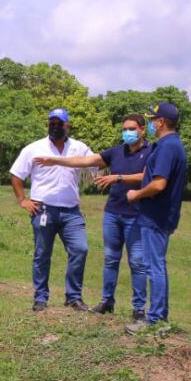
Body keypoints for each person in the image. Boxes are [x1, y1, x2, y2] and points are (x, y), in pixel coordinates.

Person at [35, 114, 152, 320]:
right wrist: (55, 160)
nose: (128, 133)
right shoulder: (116, 152)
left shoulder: (153, 151)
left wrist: (118, 177)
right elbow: (86, 160)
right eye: (125, 129)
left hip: (138, 215)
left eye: (132, 129)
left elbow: (149, 176)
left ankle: (139, 308)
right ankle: (107, 301)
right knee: (110, 260)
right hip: (113, 213)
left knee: (137, 262)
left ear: (142, 129)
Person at [9, 108, 96, 312]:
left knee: (80, 249)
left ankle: (73, 297)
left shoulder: (79, 147)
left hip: (71, 212)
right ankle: (40, 298)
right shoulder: (34, 148)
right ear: (48, 125)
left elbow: (95, 164)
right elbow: (16, 175)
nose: (55, 127)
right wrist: (23, 200)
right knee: (42, 254)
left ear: (68, 125)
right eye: (52, 123)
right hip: (43, 210)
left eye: (60, 123)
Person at [125, 102, 187, 334]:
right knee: (157, 265)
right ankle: (160, 316)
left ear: (161, 122)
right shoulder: (173, 145)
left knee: (154, 267)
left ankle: (155, 319)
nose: (151, 124)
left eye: (152, 120)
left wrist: (136, 194)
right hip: (161, 215)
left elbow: (159, 183)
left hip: (156, 215)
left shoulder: (167, 147)